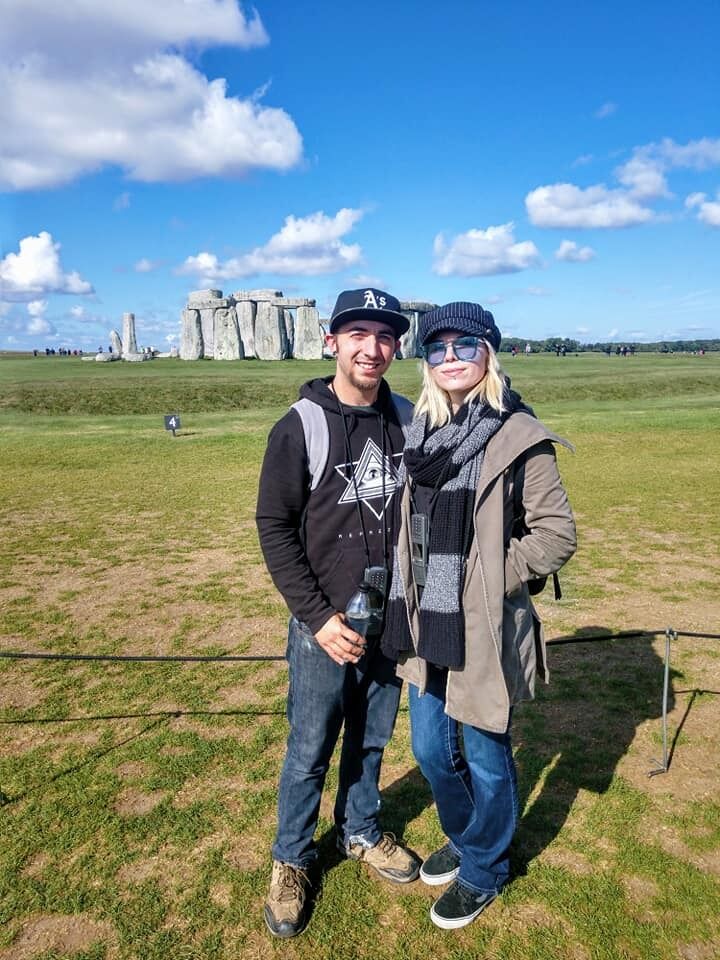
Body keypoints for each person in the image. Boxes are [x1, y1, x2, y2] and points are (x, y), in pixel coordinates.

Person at [382, 302, 576, 930]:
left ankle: (485, 867)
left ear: (489, 352)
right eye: (436, 349)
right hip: (425, 622)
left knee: (488, 757)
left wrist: (488, 579)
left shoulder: (520, 434)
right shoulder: (424, 434)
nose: (450, 359)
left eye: (464, 346)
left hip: (482, 626)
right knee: (431, 750)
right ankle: (469, 837)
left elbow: (555, 535)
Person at [256, 288, 421, 939]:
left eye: (384, 336)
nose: (371, 347)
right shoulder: (302, 424)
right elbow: (274, 526)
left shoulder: (409, 418)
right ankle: (291, 859)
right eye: (358, 333)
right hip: (324, 624)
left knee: (373, 737)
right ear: (332, 341)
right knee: (309, 748)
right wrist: (317, 617)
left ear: (395, 346)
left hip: (388, 618)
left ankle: (359, 829)